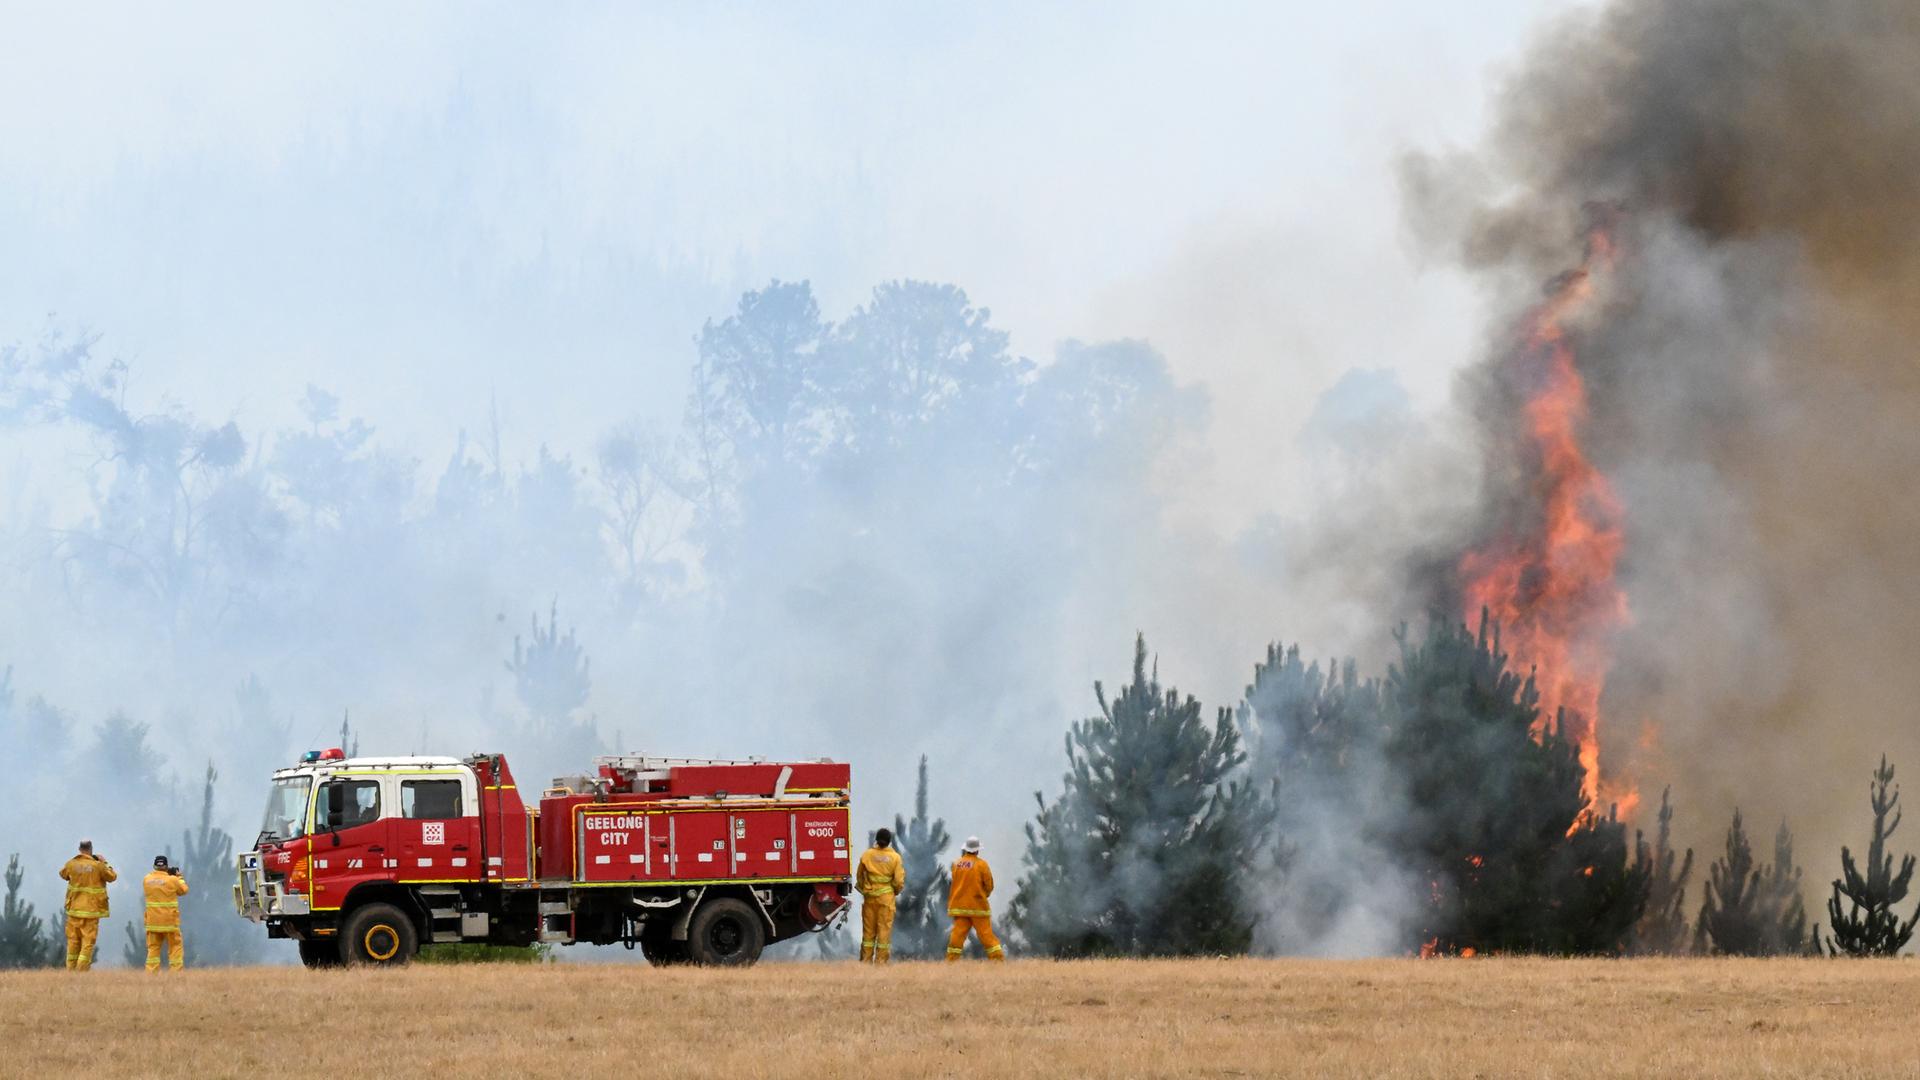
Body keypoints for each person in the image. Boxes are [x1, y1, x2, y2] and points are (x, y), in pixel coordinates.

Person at [58, 840, 116, 971]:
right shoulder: (98, 866)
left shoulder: (71, 864)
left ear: (79, 849)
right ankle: (81, 971)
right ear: (91, 849)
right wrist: (104, 862)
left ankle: (70, 971)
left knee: (73, 942)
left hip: (74, 910)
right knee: (87, 943)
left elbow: (63, 874)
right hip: (91, 911)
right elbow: (112, 877)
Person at [946, 836, 1003, 962]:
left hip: (960, 907)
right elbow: (989, 885)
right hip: (978, 908)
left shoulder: (956, 864)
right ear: (977, 850)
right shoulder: (982, 865)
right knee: (986, 936)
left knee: (957, 937)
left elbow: (954, 883)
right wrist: (984, 895)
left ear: (965, 849)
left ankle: (951, 961)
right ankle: (997, 960)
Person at [854, 827, 905, 964]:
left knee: (868, 933)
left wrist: (864, 889)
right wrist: (895, 891)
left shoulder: (867, 855)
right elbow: (898, 881)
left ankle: (865, 961)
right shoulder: (895, 858)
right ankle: (881, 962)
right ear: (889, 841)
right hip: (886, 900)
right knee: (884, 931)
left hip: (869, 898)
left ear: (876, 840)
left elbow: (859, 876)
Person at [143, 855, 190, 972]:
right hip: (170, 921)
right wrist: (179, 876)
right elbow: (184, 890)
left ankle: (150, 973)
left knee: (153, 948)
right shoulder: (173, 880)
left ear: (154, 866)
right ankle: (175, 973)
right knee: (175, 947)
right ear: (166, 866)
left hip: (152, 921)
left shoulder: (146, 879)